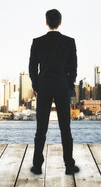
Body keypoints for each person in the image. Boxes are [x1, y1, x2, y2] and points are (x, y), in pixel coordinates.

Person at [29, 9, 79, 175]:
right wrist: (68, 85)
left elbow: (32, 68)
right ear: (60, 22)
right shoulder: (69, 42)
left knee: (41, 129)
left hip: (43, 88)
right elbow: (73, 67)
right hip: (62, 87)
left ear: (46, 22)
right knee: (65, 128)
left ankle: (37, 166)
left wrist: (37, 86)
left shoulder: (37, 42)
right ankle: (69, 166)